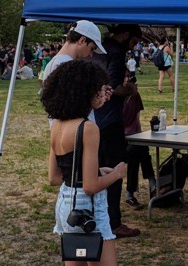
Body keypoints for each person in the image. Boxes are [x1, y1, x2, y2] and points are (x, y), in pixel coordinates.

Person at [43, 60, 127, 266]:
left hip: (66, 205)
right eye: (100, 89)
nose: (103, 94)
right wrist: (116, 173)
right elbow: (90, 187)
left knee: (76, 259)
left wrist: (95, 170)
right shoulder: (87, 128)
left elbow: (55, 177)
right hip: (87, 207)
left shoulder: (57, 125)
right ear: (85, 91)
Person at [92, 24, 143, 239]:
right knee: (114, 171)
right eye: (133, 42)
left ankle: (96, 218)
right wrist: (130, 90)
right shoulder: (116, 51)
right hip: (111, 121)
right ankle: (113, 223)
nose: (133, 47)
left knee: (96, 171)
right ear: (125, 35)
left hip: (94, 120)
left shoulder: (98, 48)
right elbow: (111, 89)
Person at [122, 68, 154, 210]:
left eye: (129, 77)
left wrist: (140, 135)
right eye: (125, 77)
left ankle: (131, 194)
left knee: (140, 147)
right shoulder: (114, 97)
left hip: (133, 135)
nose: (127, 80)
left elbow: (137, 118)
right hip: (119, 137)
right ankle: (152, 183)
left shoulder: (134, 96)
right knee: (136, 150)